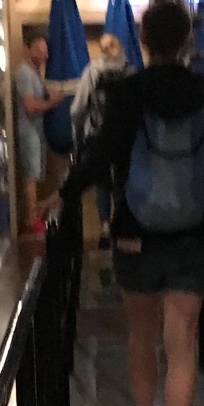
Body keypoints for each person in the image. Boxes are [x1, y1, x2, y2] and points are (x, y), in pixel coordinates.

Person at [59, 0, 204, 406]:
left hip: (136, 231)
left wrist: (65, 192)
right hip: (193, 232)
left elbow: (103, 153)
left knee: (140, 332)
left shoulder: (127, 92)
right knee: (182, 341)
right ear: (186, 41)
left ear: (143, 40)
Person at [70, 31, 131, 250]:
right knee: (122, 183)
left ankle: (105, 227)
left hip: (97, 136)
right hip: (124, 139)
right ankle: (122, 227)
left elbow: (78, 109)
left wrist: (77, 135)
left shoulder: (92, 72)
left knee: (102, 183)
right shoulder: (130, 72)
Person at [14, 34, 55, 236]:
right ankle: (32, 219)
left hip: (36, 131)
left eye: (45, 50)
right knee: (30, 175)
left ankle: (33, 216)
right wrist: (52, 102)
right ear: (27, 49)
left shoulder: (36, 74)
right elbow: (29, 106)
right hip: (28, 131)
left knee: (36, 174)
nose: (44, 54)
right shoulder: (24, 73)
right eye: (39, 49)